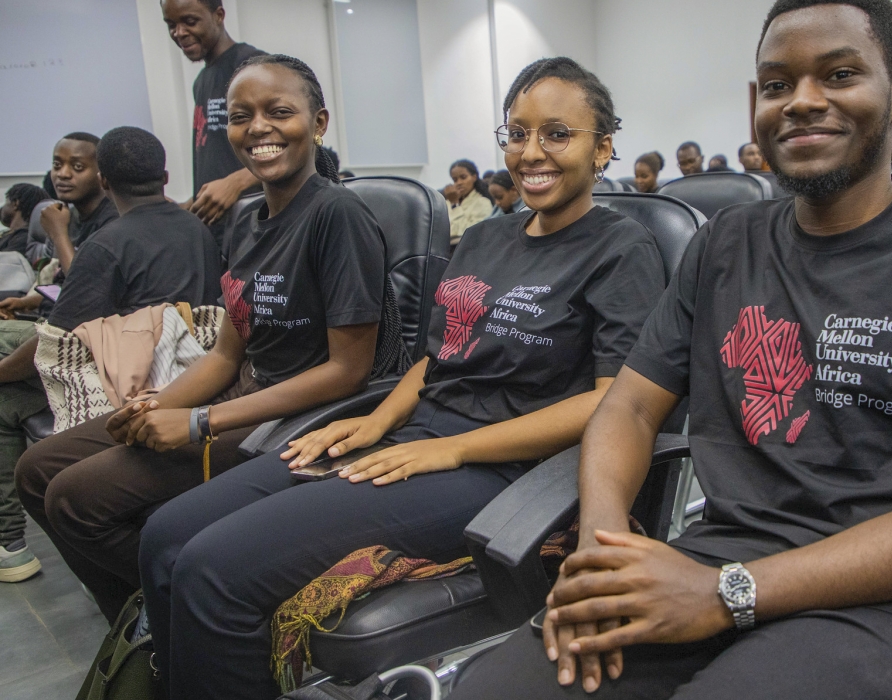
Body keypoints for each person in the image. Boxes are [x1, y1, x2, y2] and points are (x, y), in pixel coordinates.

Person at [451, 1, 892, 698]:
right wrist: (601, 543)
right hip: (728, 553)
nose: (802, 102)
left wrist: (726, 593)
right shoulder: (724, 244)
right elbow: (625, 409)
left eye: (837, 74)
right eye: (776, 85)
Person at [137, 55, 666, 700]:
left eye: (558, 133)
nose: (532, 152)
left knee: (215, 570)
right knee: (165, 535)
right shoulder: (484, 240)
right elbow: (438, 357)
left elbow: (613, 403)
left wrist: (450, 448)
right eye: (517, 132)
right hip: (415, 437)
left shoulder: (622, 249)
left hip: (499, 472)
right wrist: (374, 420)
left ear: (603, 146)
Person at [14, 55, 386, 624]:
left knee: (75, 499)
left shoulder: (337, 215)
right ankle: (151, 614)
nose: (258, 127)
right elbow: (225, 354)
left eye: (279, 111)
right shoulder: (243, 220)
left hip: (305, 417)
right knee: (37, 468)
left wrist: (199, 422)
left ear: (318, 124)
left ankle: (174, 621)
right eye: (241, 116)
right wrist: (156, 405)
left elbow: (348, 372)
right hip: (244, 395)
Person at [0, 127, 223, 585]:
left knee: (5, 400)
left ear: (103, 181)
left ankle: (12, 542)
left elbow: (58, 342)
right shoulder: (197, 227)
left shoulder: (107, 244)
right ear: (164, 176)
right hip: (197, 368)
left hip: (133, 380)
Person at [162, 0, 266, 249]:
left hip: (256, 226)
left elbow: (304, 147)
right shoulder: (201, 81)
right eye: (171, 25)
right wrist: (194, 202)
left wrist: (236, 183)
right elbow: (218, 155)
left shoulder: (253, 66)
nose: (179, 33)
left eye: (189, 21)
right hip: (218, 232)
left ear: (219, 15)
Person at [0, 133, 120, 321]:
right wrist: (28, 302)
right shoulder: (69, 215)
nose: (62, 174)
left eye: (77, 167)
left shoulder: (113, 220)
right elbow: (64, 286)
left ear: (102, 174)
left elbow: (85, 291)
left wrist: (58, 233)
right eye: (57, 165)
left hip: (79, 332)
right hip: (48, 319)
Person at [449, 159, 493, 249]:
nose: (459, 183)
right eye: (455, 180)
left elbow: (468, 233)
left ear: (474, 177)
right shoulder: (447, 202)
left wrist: (455, 206)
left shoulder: (483, 202)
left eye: (463, 177)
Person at [0, 184, 49, 259]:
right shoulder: (14, 235)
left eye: (6, 201)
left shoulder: (23, 239)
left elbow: (5, 265)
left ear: (15, 203)